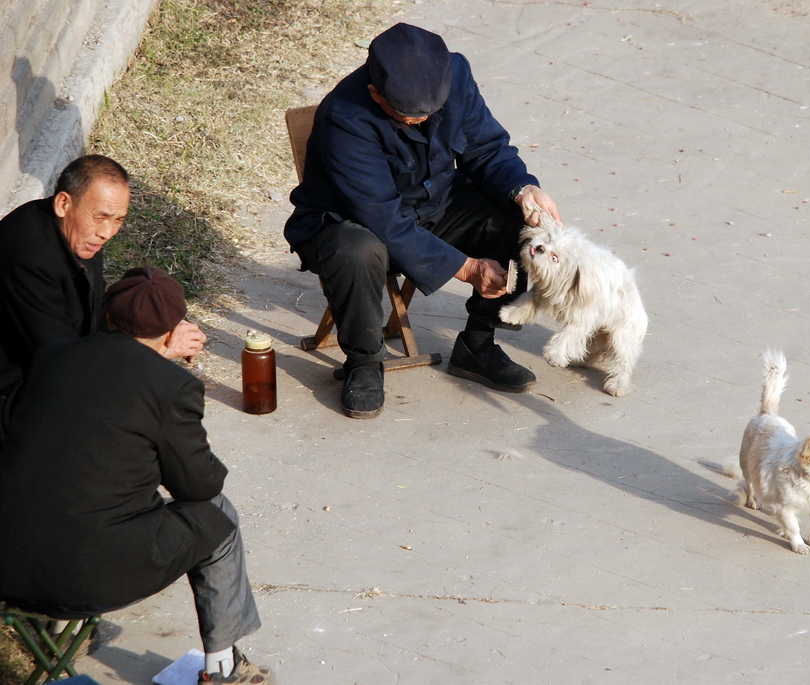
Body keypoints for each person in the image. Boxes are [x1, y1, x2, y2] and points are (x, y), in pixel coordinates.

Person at [0, 267, 273, 684]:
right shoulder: (171, 386)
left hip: (10, 562)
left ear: (109, 317)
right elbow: (198, 486)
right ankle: (222, 667)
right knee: (218, 515)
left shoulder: (53, 357)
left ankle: (58, 629)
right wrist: (179, 450)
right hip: (88, 575)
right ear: (170, 334)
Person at [284, 22, 562, 419]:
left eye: (432, 112)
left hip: (433, 204)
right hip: (351, 222)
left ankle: (477, 346)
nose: (423, 120)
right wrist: (465, 267)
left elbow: (485, 148)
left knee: (518, 223)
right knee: (356, 249)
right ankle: (363, 362)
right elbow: (381, 217)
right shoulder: (345, 116)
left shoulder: (456, 74)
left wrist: (521, 189)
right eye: (408, 115)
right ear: (375, 93)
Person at [0, 154, 206, 438]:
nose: (108, 232)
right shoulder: (28, 258)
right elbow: (65, 368)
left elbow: (93, 313)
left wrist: (158, 325)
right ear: (63, 203)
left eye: (118, 220)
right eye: (101, 218)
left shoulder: (77, 233)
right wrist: (156, 351)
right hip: (15, 399)